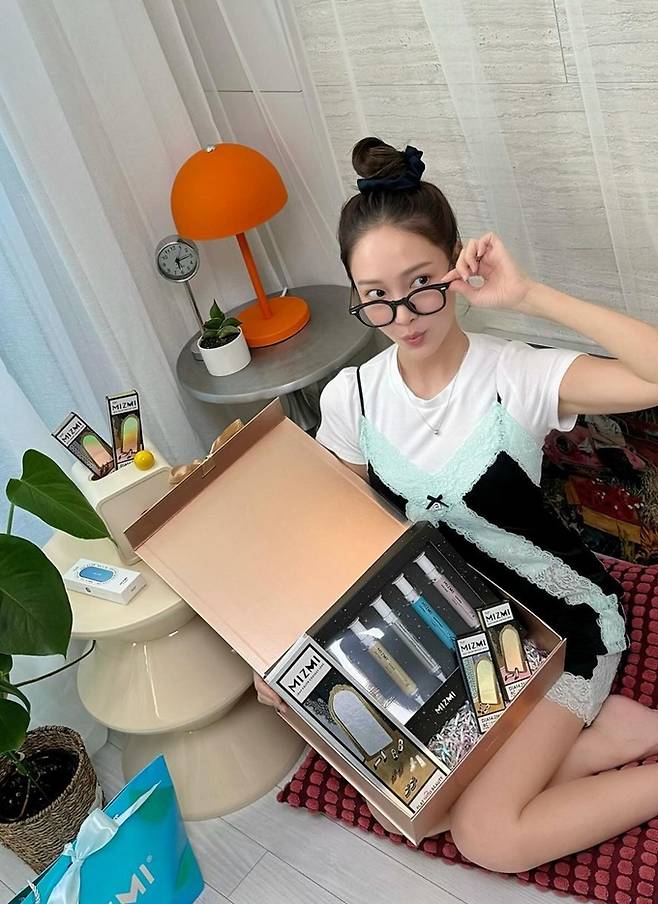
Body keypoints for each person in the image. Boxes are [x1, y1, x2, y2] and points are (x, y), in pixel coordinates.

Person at [254, 136, 658, 872]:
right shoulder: (353, 398)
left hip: (561, 621)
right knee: (422, 808)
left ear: (456, 266)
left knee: (488, 836)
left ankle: (619, 742)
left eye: (422, 283)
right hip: (460, 627)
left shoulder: (514, 374)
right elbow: (335, 534)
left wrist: (528, 295)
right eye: (376, 295)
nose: (404, 314)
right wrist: (281, 648)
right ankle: (613, 739)